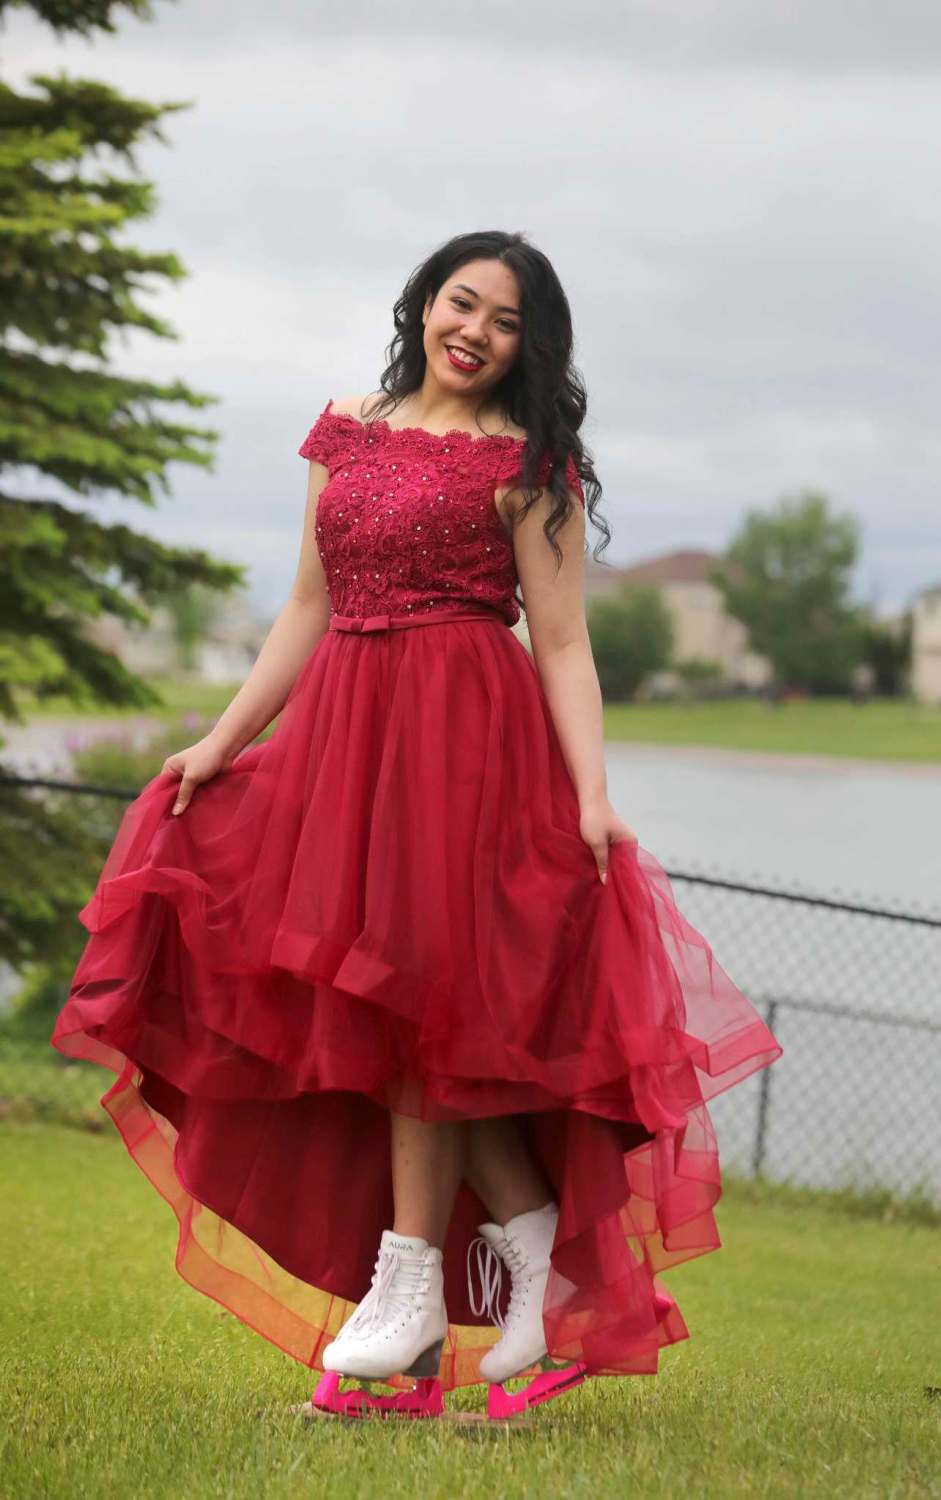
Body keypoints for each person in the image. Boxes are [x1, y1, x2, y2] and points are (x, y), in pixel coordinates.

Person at [51, 229, 782, 1422]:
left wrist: (592, 796)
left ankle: (408, 1304)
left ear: (525, 348)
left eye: (503, 322)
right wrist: (222, 743)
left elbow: (561, 645)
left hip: (462, 754)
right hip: (346, 746)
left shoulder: (530, 462)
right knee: (393, 1021)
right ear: (423, 303)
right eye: (461, 303)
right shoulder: (344, 425)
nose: (475, 332)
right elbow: (304, 607)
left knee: (417, 1009)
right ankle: (523, 1259)